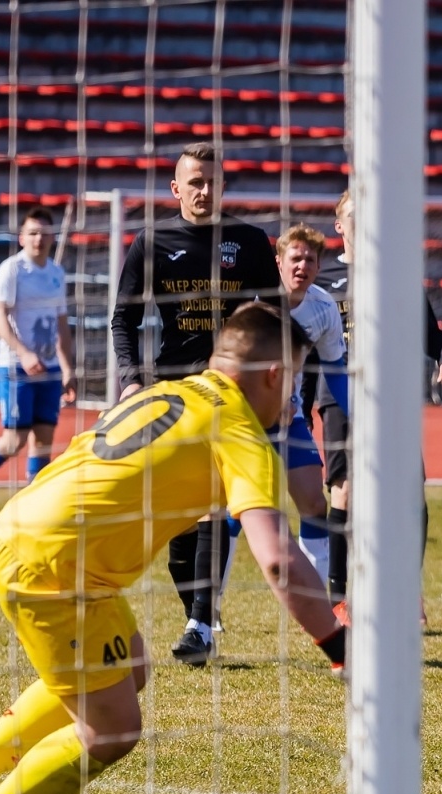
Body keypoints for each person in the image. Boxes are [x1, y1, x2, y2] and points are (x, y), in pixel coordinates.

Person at [0, 304, 345, 794]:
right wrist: (340, 648)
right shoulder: (241, 429)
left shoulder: (173, 390)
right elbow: (277, 560)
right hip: (56, 564)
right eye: (293, 383)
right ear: (274, 375)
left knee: (133, 668)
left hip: (26, 530)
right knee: (113, 730)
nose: (293, 399)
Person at [108, 142, 280, 662]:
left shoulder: (248, 243)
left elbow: (274, 324)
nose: (204, 191)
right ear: (176, 188)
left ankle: (201, 623)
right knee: (179, 521)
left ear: (223, 186)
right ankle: (198, 611)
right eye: (195, 182)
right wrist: (134, 379)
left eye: (212, 181)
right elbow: (124, 320)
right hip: (171, 394)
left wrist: (284, 387)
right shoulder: (152, 241)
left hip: (233, 393)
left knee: (212, 504)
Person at [171, 223, 351, 665]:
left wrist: (355, 416)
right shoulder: (253, 308)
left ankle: (330, 609)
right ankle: (202, 623)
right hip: (244, 425)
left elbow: (336, 370)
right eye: (296, 258)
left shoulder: (325, 309)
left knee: (313, 500)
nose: (303, 266)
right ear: (279, 262)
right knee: (226, 514)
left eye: (311, 259)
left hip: (288, 422)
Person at [317, 189, 442, 624]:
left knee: (408, 493)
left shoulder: (396, 275)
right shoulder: (323, 281)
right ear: (339, 225)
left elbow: (430, 332)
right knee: (345, 490)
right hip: (340, 396)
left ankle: (406, 590)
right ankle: (340, 599)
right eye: (354, 217)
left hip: (391, 399)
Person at [0, 208, 75, 527]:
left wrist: (66, 367)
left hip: (48, 370)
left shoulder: (56, 273)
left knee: (44, 440)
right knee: (14, 440)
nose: (39, 239)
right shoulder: (11, 270)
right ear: (22, 237)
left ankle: (32, 515)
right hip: (15, 368)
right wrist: (23, 353)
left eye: (44, 233)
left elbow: (61, 325)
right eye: (32, 233)